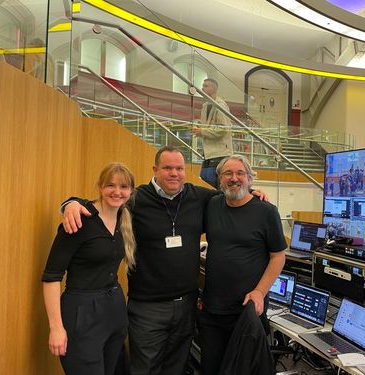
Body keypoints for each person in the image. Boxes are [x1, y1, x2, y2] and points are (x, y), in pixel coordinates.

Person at [61, 147, 267, 375]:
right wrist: (70, 203)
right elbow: (103, 203)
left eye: (179, 168)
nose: (174, 173)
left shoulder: (198, 197)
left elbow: (233, 192)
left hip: (186, 306)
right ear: (155, 170)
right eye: (167, 168)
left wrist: (254, 191)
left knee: (176, 368)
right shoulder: (137, 199)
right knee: (144, 369)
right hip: (147, 308)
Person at [42, 162, 136, 375]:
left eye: (123, 187)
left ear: (131, 191)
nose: (117, 192)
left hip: (114, 311)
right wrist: (56, 327)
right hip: (82, 314)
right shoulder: (78, 220)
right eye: (110, 185)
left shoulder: (124, 217)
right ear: (99, 187)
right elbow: (51, 276)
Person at [198, 154, 287, 375]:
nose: (234, 178)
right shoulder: (212, 204)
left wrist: (259, 291)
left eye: (240, 173)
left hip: (247, 312)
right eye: (228, 173)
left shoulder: (266, 211)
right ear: (219, 179)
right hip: (212, 311)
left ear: (250, 178)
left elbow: (278, 257)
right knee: (211, 369)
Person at [192, 78, 233, 188]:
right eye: (203, 85)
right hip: (208, 152)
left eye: (206, 86)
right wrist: (200, 130)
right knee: (205, 179)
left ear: (214, 89)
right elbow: (208, 127)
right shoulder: (205, 106)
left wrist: (203, 131)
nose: (202, 88)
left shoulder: (221, 105)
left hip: (220, 153)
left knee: (212, 181)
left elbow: (224, 129)